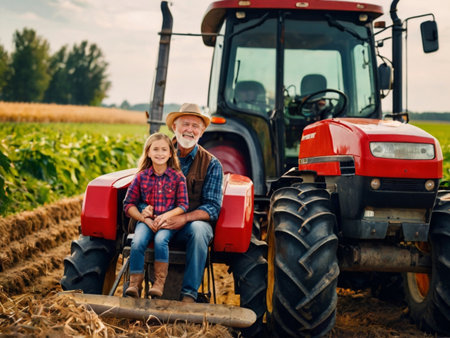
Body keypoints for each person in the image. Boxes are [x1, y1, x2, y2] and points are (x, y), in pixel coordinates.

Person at [142, 102, 223, 303]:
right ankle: (135, 285)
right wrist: (147, 211)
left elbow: (212, 207)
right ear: (174, 128)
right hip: (157, 222)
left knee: (199, 230)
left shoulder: (212, 164)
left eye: (195, 126)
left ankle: (188, 296)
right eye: (185, 124)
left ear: (202, 132)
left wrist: (183, 218)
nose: (190, 130)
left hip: (188, 226)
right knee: (138, 231)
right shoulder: (157, 154)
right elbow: (139, 192)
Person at [123, 132, 188, 298]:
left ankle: (159, 283)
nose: (160, 153)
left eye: (164, 150)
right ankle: (135, 284)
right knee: (137, 242)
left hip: (167, 222)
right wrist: (143, 218)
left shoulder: (178, 177)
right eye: (156, 149)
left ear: (170, 153)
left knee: (160, 240)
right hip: (146, 221)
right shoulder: (141, 177)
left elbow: (183, 205)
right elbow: (128, 204)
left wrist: (166, 217)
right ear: (148, 153)